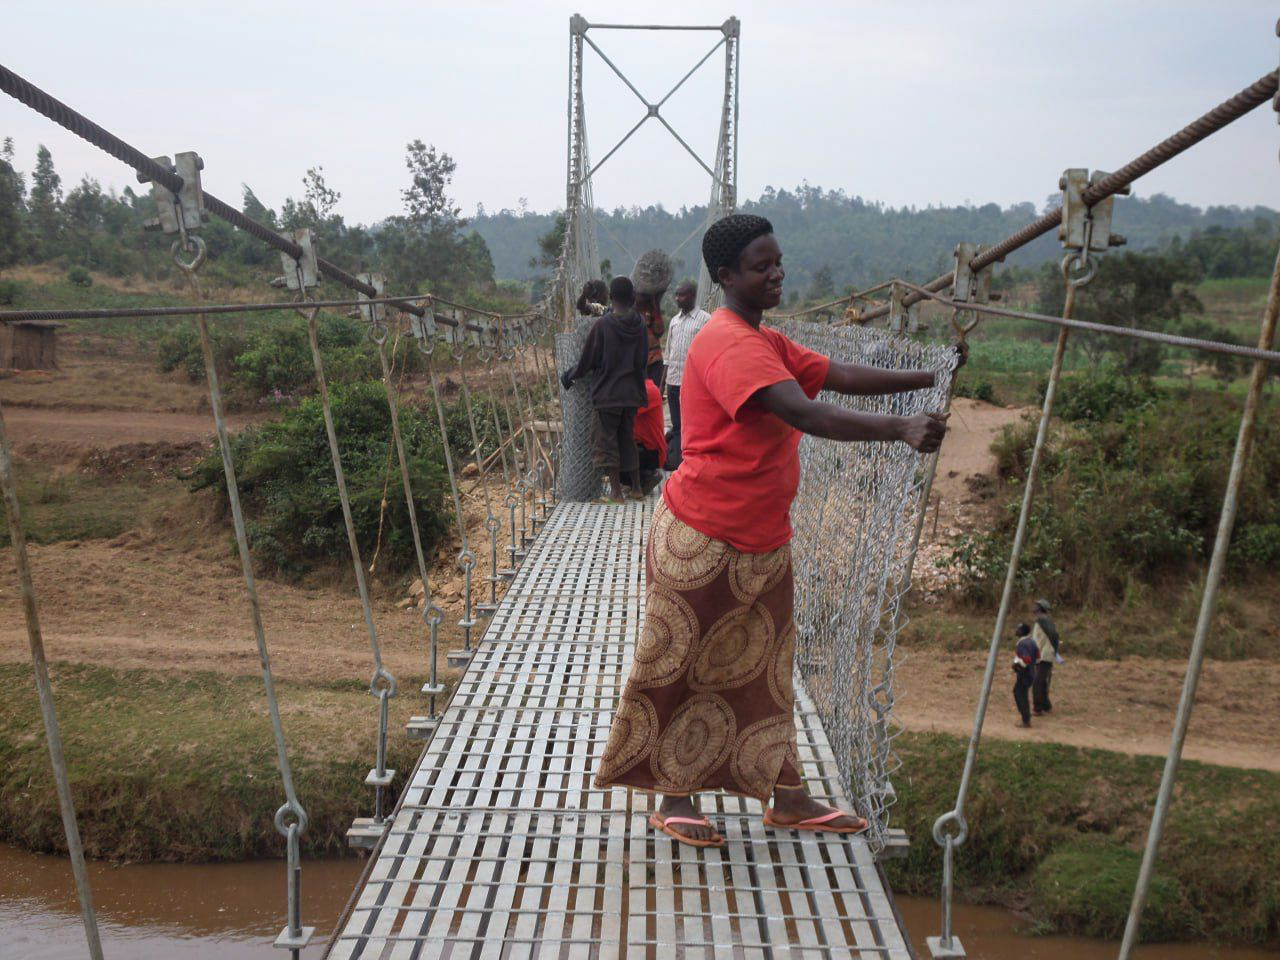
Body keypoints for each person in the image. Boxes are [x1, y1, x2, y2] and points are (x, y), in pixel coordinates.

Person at [595, 213, 958, 847]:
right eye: (762, 266)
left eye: (778, 261)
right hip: (703, 537)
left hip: (764, 538)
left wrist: (930, 376)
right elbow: (800, 410)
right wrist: (900, 428)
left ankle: (786, 796)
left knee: (768, 670)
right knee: (682, 664)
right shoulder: (729, 343)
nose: (777, 273)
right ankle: (671, 796)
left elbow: (836, 376)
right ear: (726, 276)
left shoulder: (763, 338)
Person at [561, 276, 648, 503]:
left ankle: (616, 492)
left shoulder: (603, 325)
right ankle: (637, 488)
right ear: (632, 298)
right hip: (631, 394)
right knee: (627, 438)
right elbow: (642, 361)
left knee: (606, 440)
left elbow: (587, 361)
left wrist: (570, 375)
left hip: (608, 395)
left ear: (610, 297)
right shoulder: (639, 324)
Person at [663, 280, 712, 470]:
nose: (677, 299)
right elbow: (668, 354)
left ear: (692, 296)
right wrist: (662, 384)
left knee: (692, 424)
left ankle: (692, 462)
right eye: (676, 295)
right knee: (677, 424)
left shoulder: (705, 320)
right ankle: (678, 463)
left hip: (693, 383)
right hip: (673, 381)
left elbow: (709, 352)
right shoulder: (675, 321)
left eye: (681, 295)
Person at [633, 378, 667, 495]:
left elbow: (624, 409)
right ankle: (639, 478)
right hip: (644, 448)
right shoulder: (642, 388)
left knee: (612, 453)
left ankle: (646, 476)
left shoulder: (648, 391)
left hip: (652, 452)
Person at [1031, 598, 1061, 715]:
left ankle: (1038, 708)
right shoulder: (1042, 620)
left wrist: (1053, 650)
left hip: (1045, 655)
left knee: (1037, 683)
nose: (1034, 607)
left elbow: (1054, 636)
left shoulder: (1043, 620)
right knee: (1042, 682)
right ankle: (1046, 706)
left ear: (1040, 608)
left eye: (1036, 605)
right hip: (1041, 655)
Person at [636, 291, 666, 388]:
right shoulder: (630, 308)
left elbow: (659, 331)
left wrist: (655, 305)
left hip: (654, 359)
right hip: (638, 360)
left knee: (655, 391)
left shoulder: (652, 307)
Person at [1012, 622, 1039, 728]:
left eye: (1018, 629)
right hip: (1031, 673)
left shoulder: (1022, 644)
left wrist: (1016, 665)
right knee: (1023, 694)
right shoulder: (1032, 641)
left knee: (1019, 694)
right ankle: (1026, 718)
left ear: (1022, 632)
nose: (1016, 630)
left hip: (1024, 674)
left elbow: (1026, 659)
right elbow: (1037, 656)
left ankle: (1025, 720)